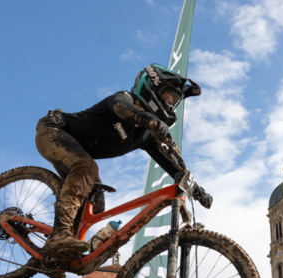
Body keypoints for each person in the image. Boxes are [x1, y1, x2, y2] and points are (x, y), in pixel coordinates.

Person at [35, 64, 211, 257]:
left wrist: (196, 190)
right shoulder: (124, 98)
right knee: (86, 167)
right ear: (152, 87)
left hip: (79, 152)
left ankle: (57, 256)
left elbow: (172, 167)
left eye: (173, 102)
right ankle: (59, 237)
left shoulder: (145, 136)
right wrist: (150, 121)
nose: (169, 104)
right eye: (168, 96)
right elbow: (121, 108)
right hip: (53, 130)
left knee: (96, 202)